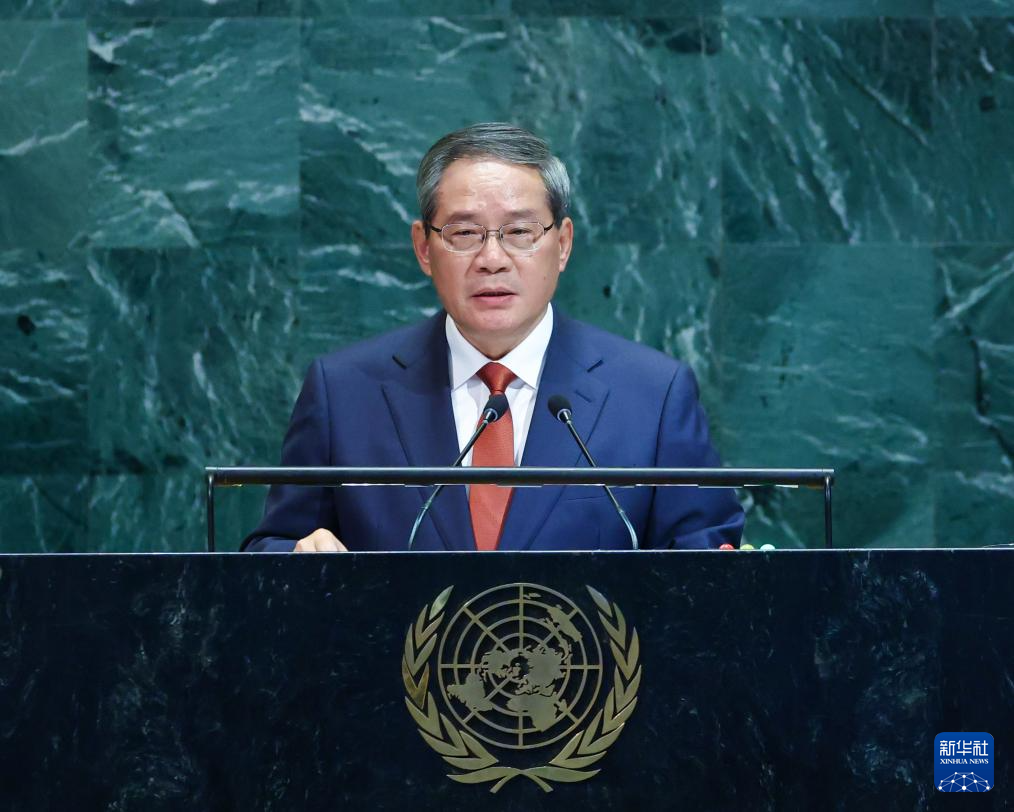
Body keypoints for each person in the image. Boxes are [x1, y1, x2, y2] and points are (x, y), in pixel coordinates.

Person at [243, 123, 744, 553]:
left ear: (563, 244)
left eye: (520, 232)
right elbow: (271, 549)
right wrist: (298, 560)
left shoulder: (653, 395)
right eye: (464, 234)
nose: (492, 259)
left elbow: (705, 561)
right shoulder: (344, 392)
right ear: (423, 248)